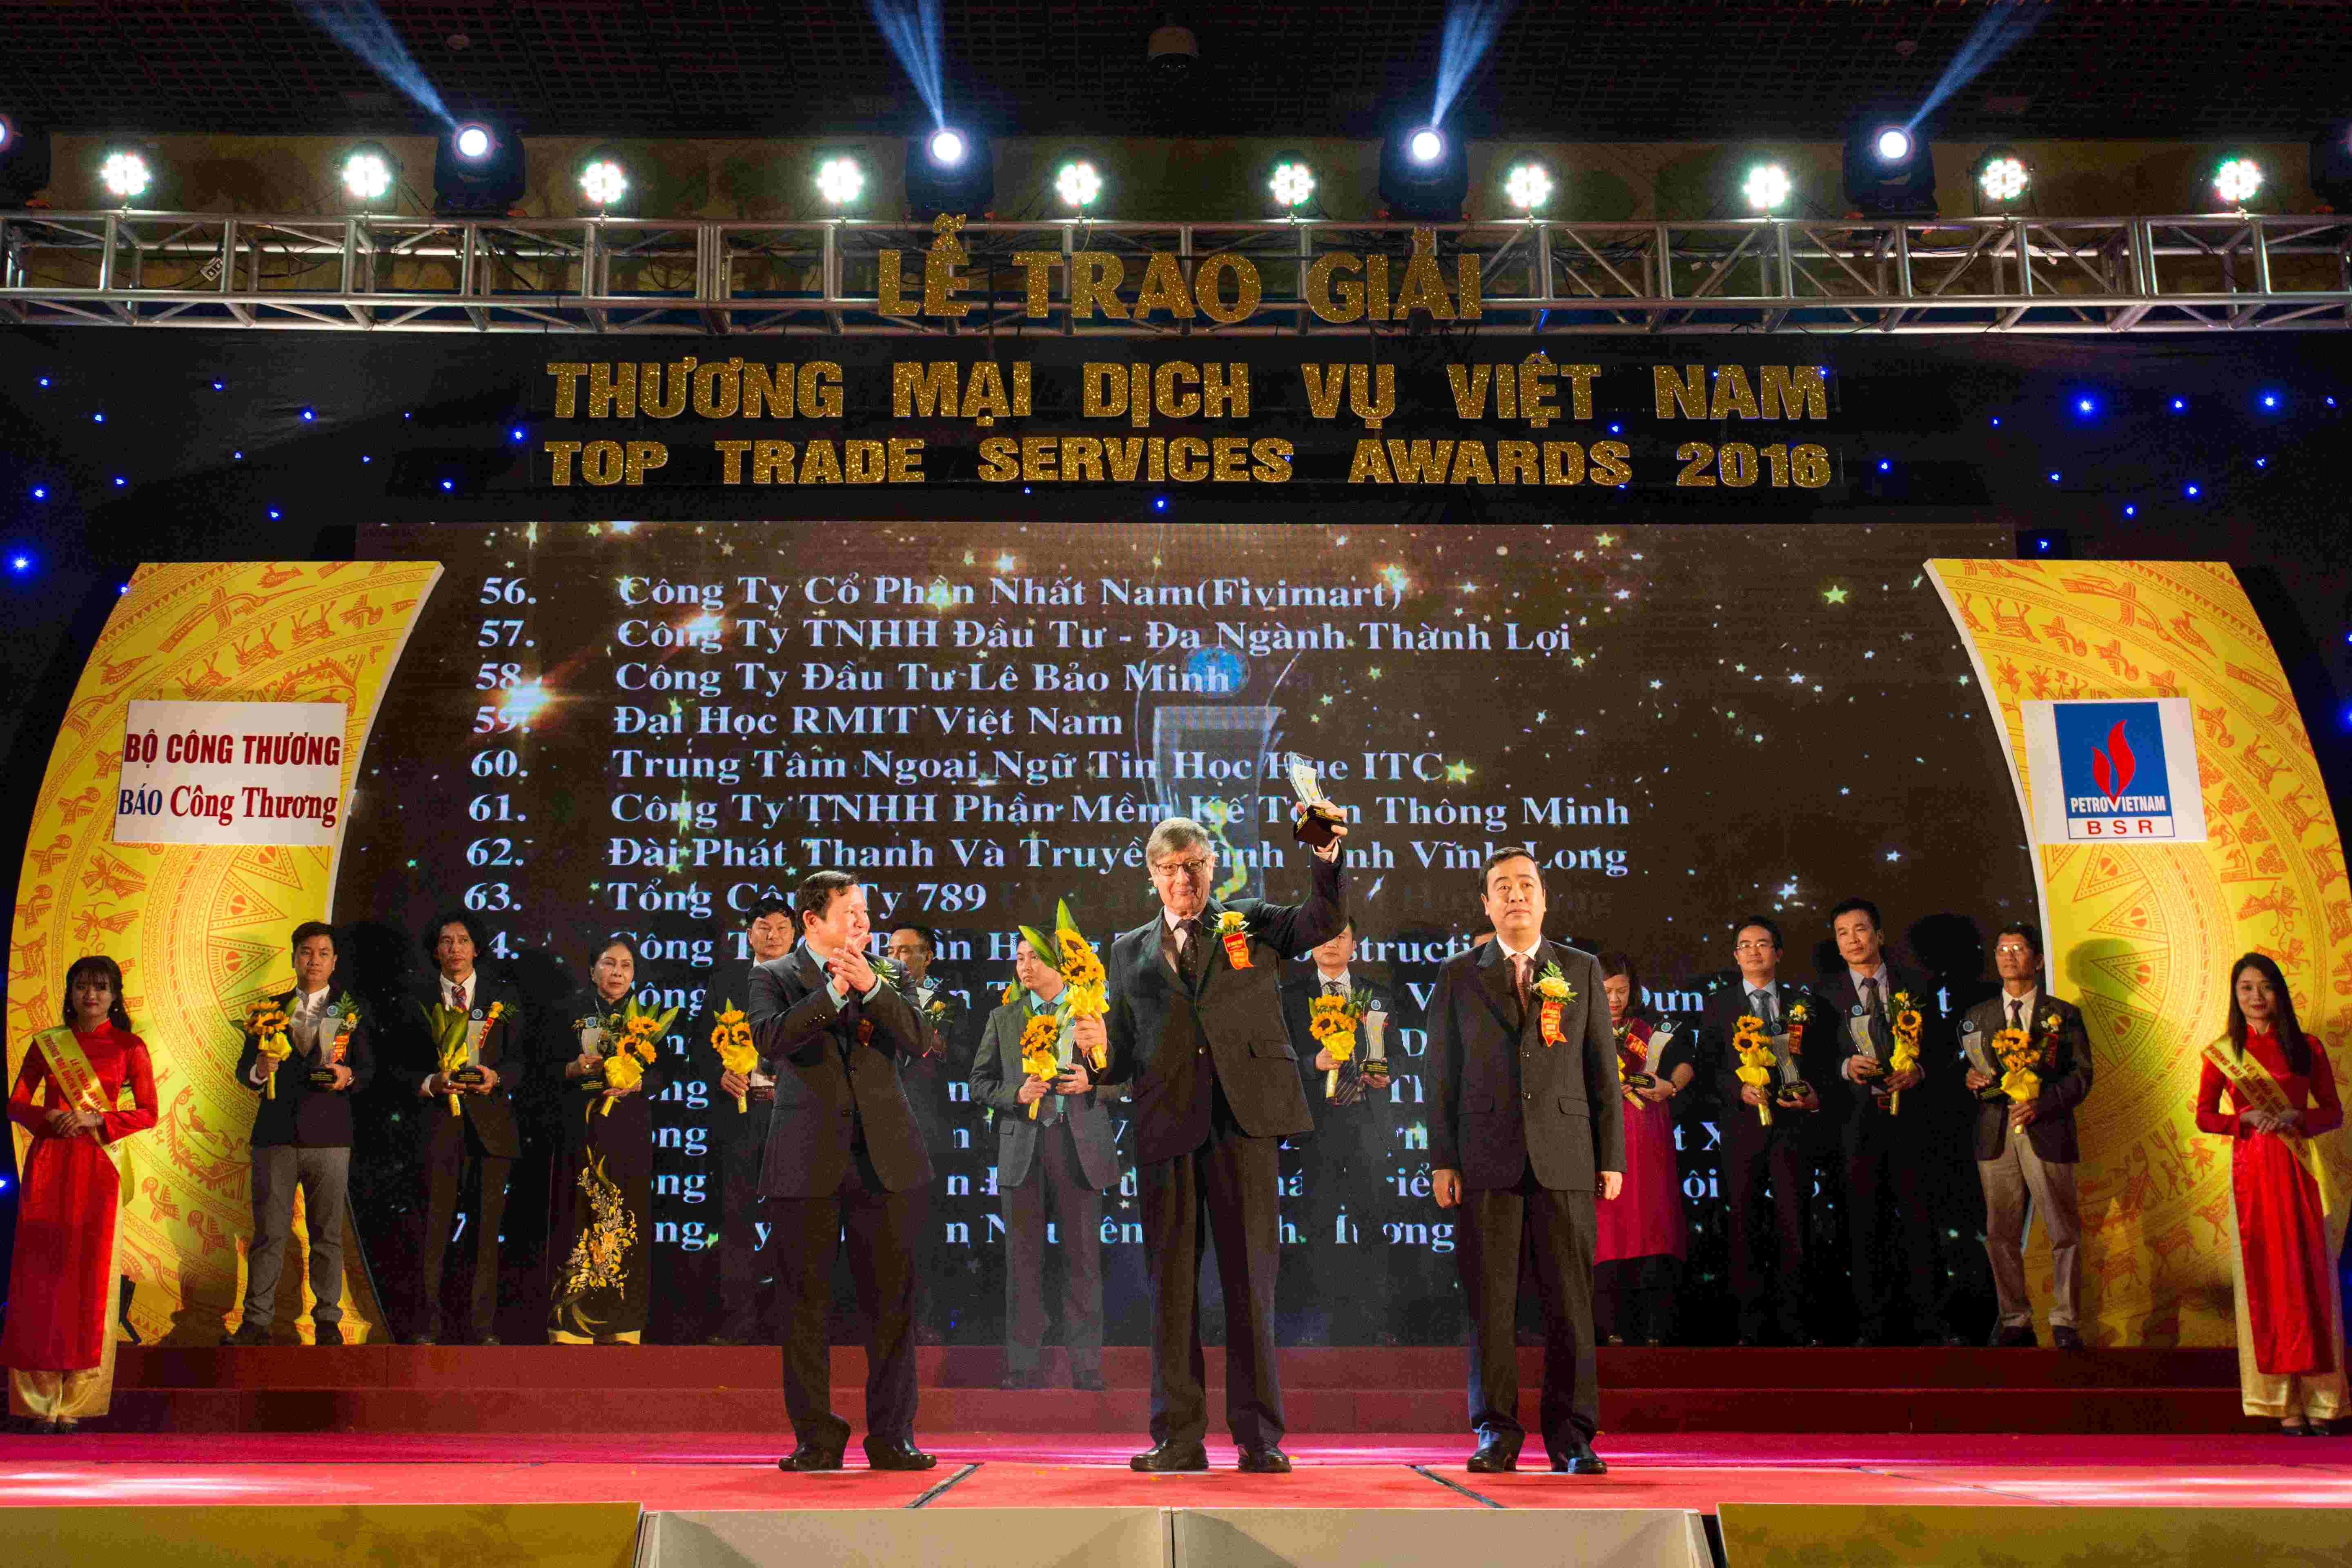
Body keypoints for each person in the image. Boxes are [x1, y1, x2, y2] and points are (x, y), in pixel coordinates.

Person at [1092, 814, 1347, 1474]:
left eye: (1195, 866)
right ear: (1153, 876)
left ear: (1213, 868)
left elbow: (1321, 919)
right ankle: (1179, 1438)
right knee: (1171, 1293)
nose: (1184, 879)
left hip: (1244, 1124)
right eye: (1170, 869)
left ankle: (1259, 1438)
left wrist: (1325, 854)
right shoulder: (1126, 950)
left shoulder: (1251, 922)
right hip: (1167, 1129)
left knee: (1249, 1286)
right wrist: (1092, 1051)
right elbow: (1121, 1055)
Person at [1428, 848, 1623, 1476]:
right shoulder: (1459, 975)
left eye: (1526, 885)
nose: (1516, 895)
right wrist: (1443, 1159)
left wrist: (1610, 1156)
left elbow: (1602, 1070)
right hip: (1486, 1158)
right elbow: (1441, 1075)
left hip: (1566, 1156)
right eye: (1503, 887)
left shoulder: (1580, 969)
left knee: (1571, 1304)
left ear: (1544, 899)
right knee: (1491, 1306)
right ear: (1486, 904)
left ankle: (1573, 1438)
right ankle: (1496, 1433)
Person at [752, 870, 936, 1473]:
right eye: (850, 912)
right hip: (806, 1159)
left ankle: (892, 1436)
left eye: (865, 911)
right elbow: (771, 1038)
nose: (863, 921)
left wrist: (872, 988)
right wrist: (834, 992)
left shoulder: (890, 973)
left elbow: (921, 1038)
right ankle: (816, 1438)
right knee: (804, 1306)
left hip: (885, 1158)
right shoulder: (775, 975)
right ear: (812, 921)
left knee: (892, 1305)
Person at [2, 956, 158, 1430]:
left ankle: (76, 1402)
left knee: (89, 1277)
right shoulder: (47, 1044)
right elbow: (16, 1104)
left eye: (101, 987)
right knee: (40, 1277)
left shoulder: (130, 1046)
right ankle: (37, 1401)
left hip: (98, 1165)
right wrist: (49, 1117)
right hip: (50, 1164)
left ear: (115, 996)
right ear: (71, 993)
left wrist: (97, 1119)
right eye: (83, 987)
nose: (92, 995)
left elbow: (148, 1112)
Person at [2196, 953, 2345, 1435]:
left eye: (2265, 987)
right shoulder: (2222, 1053)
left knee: (2311, 1281)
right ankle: (2281, 1403)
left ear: (2279, 992)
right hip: (2254, 1176)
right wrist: (2242, 1119)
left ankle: (2324, 1401)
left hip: (2300, 1172)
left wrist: (2301, 1117)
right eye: (2246, 988)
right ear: (2235, 996)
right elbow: (2205, 1116)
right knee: (2267, 1281)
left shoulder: (2307, 1047)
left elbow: (2334, 1113)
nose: (2256, 997)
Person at [970, 934, 1117, 1390]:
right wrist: (1015, 1094)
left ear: (1061, 965)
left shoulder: (1092, 1013)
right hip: (1023, 1147)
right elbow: (979, 1082)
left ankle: (1086, 1366)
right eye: (1019, 958)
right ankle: (1023, 1365)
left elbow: (1129, 1077)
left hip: (1078, 1146)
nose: (1025, 966)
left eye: (1035, 957)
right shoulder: (1004, 1017)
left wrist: (1093, 1085)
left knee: (1083, 1261)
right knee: (1023, 1262)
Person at [1820, 898, 1960, 1347]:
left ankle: (1931, 1323)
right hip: (1856, 1125)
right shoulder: (1823, 996)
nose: (1853, 940)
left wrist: (1919, 1071)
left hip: (1914, 1122)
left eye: (1861, 930)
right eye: (1843, 933)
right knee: (1864, 1226)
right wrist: (1845, 1068)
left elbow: (1944, 1049)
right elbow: (1816, 1061)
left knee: (1921, 1222)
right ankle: (1872, 1327)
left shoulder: (1917, 985)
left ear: (1879, 935)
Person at [227, 921, 374, 1347]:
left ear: (335, 961)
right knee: (269, 1234)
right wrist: (260, 1070)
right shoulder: (269, 1010)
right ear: (294, 958)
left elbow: (369, 1071)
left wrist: (347, 1076)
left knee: (327, 1234)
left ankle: (328, 1320)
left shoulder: (351, 1011)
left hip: (331, 1137)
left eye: (323, 953)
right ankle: (256, 1321)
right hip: (275, 1136)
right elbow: (244, 1071)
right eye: (306, 952)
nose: (314, 961)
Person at [1697, 917, 1833, 1347]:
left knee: (1796, 1222)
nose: (1754, 952)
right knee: (1744, 1225)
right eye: (1745, 945)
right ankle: (1749, 1327)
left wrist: (1813, 1095)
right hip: (1742, 1131)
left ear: (1778, 953)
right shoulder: (1719, 1006)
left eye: (1762, 944)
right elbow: (1707, 1069)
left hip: (1794, 1129)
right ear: (1735, 956)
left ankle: (1797, 1324)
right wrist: (1738, 1090)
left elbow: (1825, 1062)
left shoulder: (1803, 1004)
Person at [394, 911, 528, 1346]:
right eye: (446, 941)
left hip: (491, 1130)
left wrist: (497, 1077)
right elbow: (393, 1067)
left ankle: (481, 1328)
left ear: (477, 949)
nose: (455, 949)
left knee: (486, 1233)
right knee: (431, 1230)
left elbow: (522, 1061)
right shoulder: (414, 998)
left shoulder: (503, 997)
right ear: (436, 951)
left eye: (463, 941)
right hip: (436, 1127)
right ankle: (426, 1326)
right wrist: (430, 1083)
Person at [1958, 922, 2092, 1350]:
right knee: (2000, 1233)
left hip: (2046, 1130)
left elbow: (2082, 1076)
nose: (2008, 956)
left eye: (2018, 949)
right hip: (1995, 1134)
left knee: (2063, 1231)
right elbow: (1966, 1069)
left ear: (2037, 961)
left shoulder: (2062, 1014)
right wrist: (1970, 1079)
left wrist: (2043, 1103)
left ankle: (2066, 1320)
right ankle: (2015, 1319)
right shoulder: (1977, 1016)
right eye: (2002, 949)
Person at [1278, 920, 1395, 1345]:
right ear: (1311, 946)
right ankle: (1319, 1327)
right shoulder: (1290, 997)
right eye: (1324, 937)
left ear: (1355, 946)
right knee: (1318, 1227)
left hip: (1367, 1124)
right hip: (1317, 1127)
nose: (1332, 944)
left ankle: (1376, 1324)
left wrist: (1387, 1074)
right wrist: (1314, 1063)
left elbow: (1397, 1054)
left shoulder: (1376, 995)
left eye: (1341, 937)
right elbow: (1278, 1059)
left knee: (1374, 1224)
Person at [546, 938, 668, 1344]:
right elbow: (540, 1067)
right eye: (609, 963)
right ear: (592, 969)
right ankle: (569, 1325)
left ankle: (622, 1324)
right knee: (577, 1218)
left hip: (628, 1132)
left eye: (626, 966)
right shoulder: (567, 1010)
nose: (617, 972)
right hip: (580, 1129)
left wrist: (638, 1083)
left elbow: (666, 1073)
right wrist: (572, 1068)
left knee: (626, 1221)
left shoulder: (646, 1019)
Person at [703, 897, 794, 1345]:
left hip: (793, 1124)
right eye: (763, 927)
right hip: (739, 1120)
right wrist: (718, 1073)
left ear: (795, 935)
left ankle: (787, 1326)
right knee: (735, 1221)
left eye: (781, 928)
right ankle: (737, 1323)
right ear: (749, 934)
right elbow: (698, 1048)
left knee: (793, 1226)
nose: (772, 936)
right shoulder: (725, 982)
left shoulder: (811, 982)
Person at [1593, 951, 1690, 1347]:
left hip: (1649, 1135)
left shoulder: (1650, 1029)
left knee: (1652, 1221)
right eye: (1607, 991)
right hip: (1601, 1139)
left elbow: (1684, 1063)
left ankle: (1655, 1326)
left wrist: (1672, 1085)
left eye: (1622, 990)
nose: (1615, 999)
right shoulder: (1578, 1026)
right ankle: (1610, 1326)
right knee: (1608, 1227)